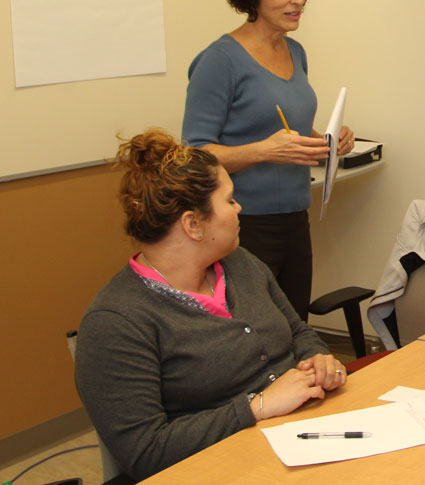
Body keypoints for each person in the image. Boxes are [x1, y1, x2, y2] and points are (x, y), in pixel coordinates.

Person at [75, 130, 348, 481]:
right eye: (230, 200)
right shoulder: (117, 322)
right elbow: (146, 452)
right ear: (193, 224)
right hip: (223, 467)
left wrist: (317, 359)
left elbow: (297, 332)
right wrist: (256, 407)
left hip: (299, 434)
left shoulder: (241, 263)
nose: (239, 209)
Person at [182, 0, 354, 320]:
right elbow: (193, 154)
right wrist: (264, 151)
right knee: (255, 337)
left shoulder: (295, 52)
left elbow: (287, 127)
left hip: (295, 215)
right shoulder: (219, 60)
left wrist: (326, 139)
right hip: (241, 225)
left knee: (294, 328)